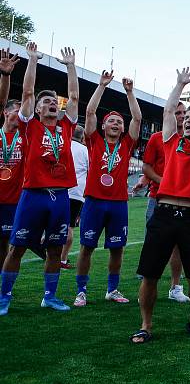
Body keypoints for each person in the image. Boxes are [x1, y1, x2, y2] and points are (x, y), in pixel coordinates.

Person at [131, 63, 190, 343]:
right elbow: (168, 110)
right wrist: (180, 84)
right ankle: (145, 325)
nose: (188, 121)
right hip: (162, 214)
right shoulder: (170, 142)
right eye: (186, 118)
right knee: (150, 274)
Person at [0, 43, 79, 315]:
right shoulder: (29, 126)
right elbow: (28, 92)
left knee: (56, 249)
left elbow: (74, 97)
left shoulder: (66, 127)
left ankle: (50, 296)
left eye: (53, 102)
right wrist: (32, 60)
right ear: (37, 109)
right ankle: (4, 297)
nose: (51, 105)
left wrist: (70, 67)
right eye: (46, 102)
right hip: (33, 195)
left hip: (60, 197)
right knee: (17, 247)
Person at [73, 71, 142, 307]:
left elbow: (138, 119)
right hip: (94, 200)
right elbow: (90, 112)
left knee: (117, 248)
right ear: (103, 126)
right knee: (87, 247)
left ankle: (112, 289)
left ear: (123, 129)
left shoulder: (126, 144)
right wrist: (102, 86)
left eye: (119, 122)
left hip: (118, 203)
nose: (116, 124)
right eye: (111, 121)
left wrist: (130, 93)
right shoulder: (93, 140)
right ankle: (81, 291)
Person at [141, 101, 190, 303]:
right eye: (177, 113)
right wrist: (164, 181)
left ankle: (175, 287)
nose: (181, 116)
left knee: (178, 245)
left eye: (184, 113)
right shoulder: (156, 138)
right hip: (158, 197)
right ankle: (147, 288)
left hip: (183, 201)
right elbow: (146, 167)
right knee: (154, 245)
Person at [0, 48, 22, 268]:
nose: (21, 114)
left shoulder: (26, 137)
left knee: (6, 244)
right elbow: (1, 101)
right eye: (17, 110)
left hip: (13, 201)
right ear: (6, 113)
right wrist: (5, 76)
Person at [62, 126, 88, 270]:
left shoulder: (63, 144)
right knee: (69, 226)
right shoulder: (85, 150)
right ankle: (63, 259)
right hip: (76, 192)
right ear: (83, 137)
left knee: (55, 222)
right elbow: (91, 172)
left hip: (59, 189)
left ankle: (43, 243)